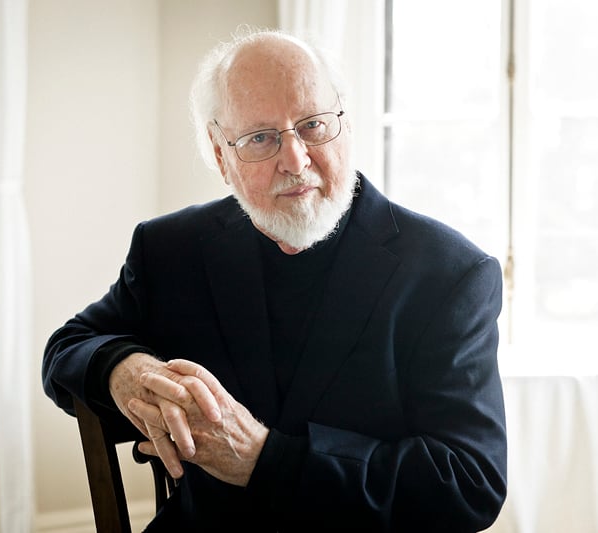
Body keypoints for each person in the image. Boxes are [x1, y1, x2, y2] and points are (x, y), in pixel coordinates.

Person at [42, 28, 507, 532]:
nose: (295, 160)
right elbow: (69, 346)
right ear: (221, 156)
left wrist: (263, 460)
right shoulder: (171, 249)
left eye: (312, 125)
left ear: (345, 126)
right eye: (260, 138)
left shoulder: (451, 275)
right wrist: (124, 369)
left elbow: (470, 482)